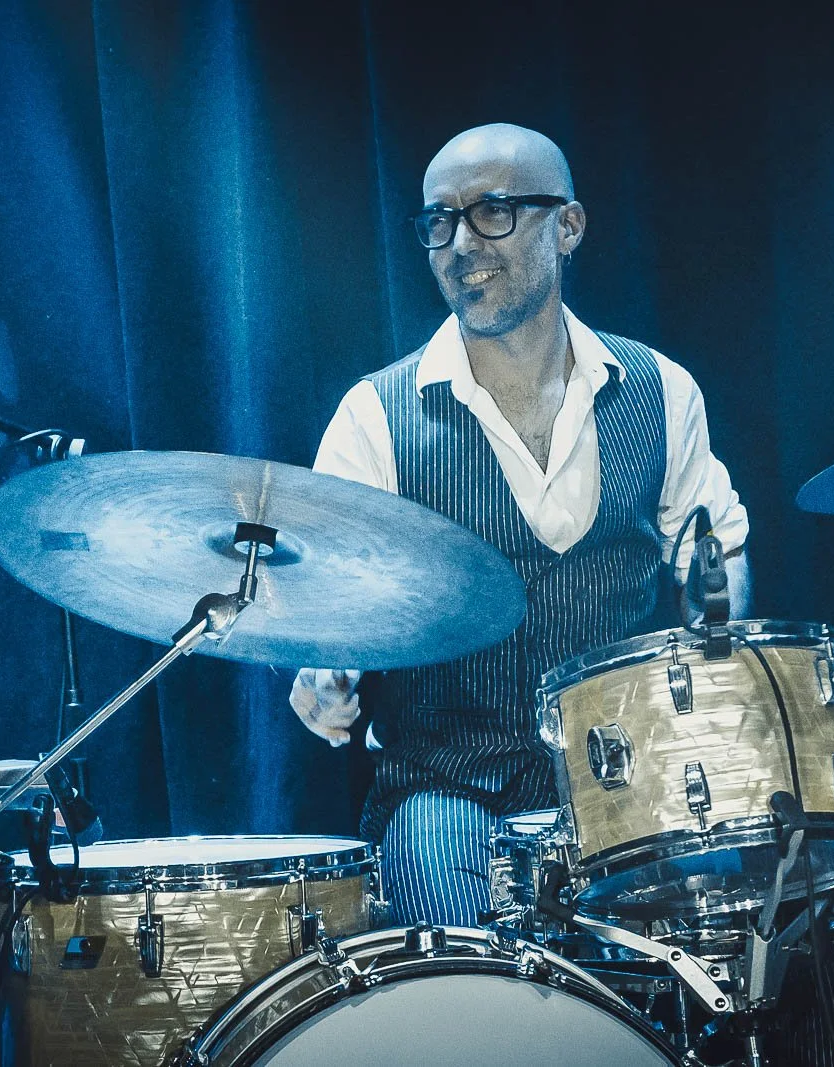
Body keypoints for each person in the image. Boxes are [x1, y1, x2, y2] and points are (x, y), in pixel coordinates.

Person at [289, 123, 750, 928]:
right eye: (439, 221)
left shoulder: (662, 389)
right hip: (448, 792)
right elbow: (328, 610)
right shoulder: (376, 417)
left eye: (492, 211)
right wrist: (323, 672)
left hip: (633, 784)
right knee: (471, 971)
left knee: (764, 925)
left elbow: (717, 549)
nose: (461, 242)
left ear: (567, 226)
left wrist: (717, 611)